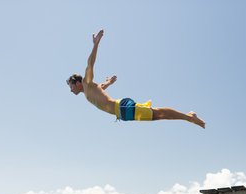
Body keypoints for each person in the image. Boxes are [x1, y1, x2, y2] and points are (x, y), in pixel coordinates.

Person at [67, 30, 205, 128]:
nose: (71, 89)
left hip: (121, 108)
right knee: (157, 116)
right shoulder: (88, 91)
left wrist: (96, 44)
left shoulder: (86, 82)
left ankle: (189, 117)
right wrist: (109, 82)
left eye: (71, 86)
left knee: (158, 114)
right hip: (122, 113)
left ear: (78, 82)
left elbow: (90, 64)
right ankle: (188, 117)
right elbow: (101, 88)